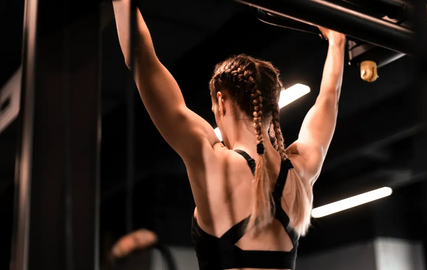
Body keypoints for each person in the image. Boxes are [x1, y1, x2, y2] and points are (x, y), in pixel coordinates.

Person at [112, 1, 345, 269]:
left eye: (213, 106)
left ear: (220, 102)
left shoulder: (212, 160)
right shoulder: (301, 170)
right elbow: (329, 97)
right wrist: (337, 40)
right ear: (273, 107)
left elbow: (139, 56)